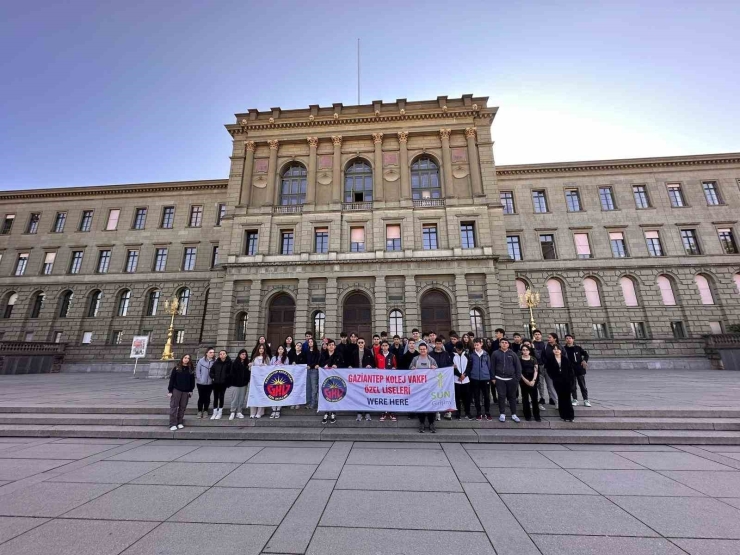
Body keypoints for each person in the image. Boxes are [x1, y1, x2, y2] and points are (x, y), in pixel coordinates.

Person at [410, 342, 438, 433]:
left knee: (431, 406)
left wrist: (435, 368)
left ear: (427, 350)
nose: (422, 350)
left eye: (424, 349)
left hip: (429, 387)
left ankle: (431, 423)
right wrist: (412, 368)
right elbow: (410, 368)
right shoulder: (415, 359)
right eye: (421, 349)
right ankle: (421, 423)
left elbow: (438, 371)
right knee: (421, 405)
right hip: (419, 387)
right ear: (419, 350)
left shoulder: (431, 360)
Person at [491, 338, 522, 423]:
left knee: (512, 397)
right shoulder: (495, 353)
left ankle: (514, 414)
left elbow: (518, 367)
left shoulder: (513, 354)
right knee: (501, 396)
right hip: (499, 378)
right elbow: (492, 366)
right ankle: (502, 413)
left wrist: (517, 379)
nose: (504, 344)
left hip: (512, 379)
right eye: (502, 342)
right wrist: (493, 377)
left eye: (506, 343)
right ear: (500, 344)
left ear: (508, 344)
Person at [546, 344, 575, 422]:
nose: (556, 350)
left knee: (567, 398)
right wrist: (554, 377)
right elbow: (549, 370)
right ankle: (563, 415)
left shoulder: (565, 359)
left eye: (558, 349)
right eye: (554, 349)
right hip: (557, 381)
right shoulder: (551, 359)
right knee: (561, 398)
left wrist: (570, 379)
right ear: (553, 351)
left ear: (561, 350)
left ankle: (570, 416)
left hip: (566, 381)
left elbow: (570, 371)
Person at [350, 337, 376, 422]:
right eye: (359, 342)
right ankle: (359, 412)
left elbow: (373, 362)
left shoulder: (368, 352)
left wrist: (370, 365)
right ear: (357, 344)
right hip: (357, 377)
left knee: (367, 394)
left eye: (362, 342)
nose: (361, 344)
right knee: (358, 395)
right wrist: (350, 366)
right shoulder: (353, 352)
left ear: (364, 343)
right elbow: (350, 363)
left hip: (366, 377)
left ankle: (367, 412)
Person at [319, 339, 344, 424]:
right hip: (325, 379)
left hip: (335, 379)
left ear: (335, 346)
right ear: (327, 346)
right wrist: (324, 365)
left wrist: (337, 365)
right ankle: (326, 412)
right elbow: (320, 363)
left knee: (334, 394)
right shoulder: (323, 355)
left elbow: (342, 364)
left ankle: (333, 412)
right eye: (329, 345)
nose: (331, 346)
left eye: (333, 345)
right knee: (326, 394)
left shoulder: (338, 355)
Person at [168, 354, 195, 430]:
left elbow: (192, 381)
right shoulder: (176, 368)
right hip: (177, 389)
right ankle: (172, 424)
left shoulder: (190, 369)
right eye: (185, 358)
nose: (186, 359)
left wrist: (191, 390)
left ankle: (179, 422)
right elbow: (172, 380)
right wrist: (170, 391)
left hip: (186, 391)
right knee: (174, 407)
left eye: (188, 358)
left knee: (182, 407)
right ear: (182, 358)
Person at [564, 334, 591, 407]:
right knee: (572, 385)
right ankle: (575, 399)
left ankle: (586, 400)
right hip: (570, 369)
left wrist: (585, 360)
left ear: (573, 340)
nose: (568, 339)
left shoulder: (578, 348)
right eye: (567, 338)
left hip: (579, 369)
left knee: (582, 385)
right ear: (565, 340)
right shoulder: (564, 349)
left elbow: (586, 355)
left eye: (570, 338)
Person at [532, 329, 557, 409]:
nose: (537, 335)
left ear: (541, 335)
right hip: (537, 366)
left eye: (538, 334)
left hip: (546, 366)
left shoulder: (546, 344)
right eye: (535, 334)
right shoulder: (532, 344)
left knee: (550, 383)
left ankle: (552, 398)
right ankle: (542, 398)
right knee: (540, 383)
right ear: (534, 336)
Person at [469, 338, 492, 421]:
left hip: (485, 378)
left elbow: (489, 366)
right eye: (475, 345)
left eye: (477, 345)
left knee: (486, 396)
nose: (476, 346)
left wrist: (490, 376)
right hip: (475, 378)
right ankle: (478, 412)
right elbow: (470, 366)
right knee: (476, 396)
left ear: (481, 344)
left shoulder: (486, 354)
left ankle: (487, 412)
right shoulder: (472, 355)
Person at [430, 337, 453, 420]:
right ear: (435, 344)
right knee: (436, 395)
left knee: (445, 394)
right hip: (434, 378)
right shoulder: (431, 354)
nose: (438, 345)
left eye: (440, 343)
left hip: (445, 378)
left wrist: (452, 366)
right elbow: (429, 364)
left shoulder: (446, 353)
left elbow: (449, 363)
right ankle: (437, 412)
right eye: (437, 343)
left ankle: (447, 411)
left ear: (442, 344)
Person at [376, 339, 397, 422]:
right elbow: (376, 366)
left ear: (388, 346)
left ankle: (391, 412)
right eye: (383, 346)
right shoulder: (378, 355)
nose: (384, 347)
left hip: (390, 380)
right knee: (382, 396)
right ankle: (383, 413)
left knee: (390, 396)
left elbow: (395, 366)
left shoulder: (392, 356)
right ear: (381, 347)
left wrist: (393, 368)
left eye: (386, 346)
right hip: (381, 380)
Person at [519, 345, 540, 422]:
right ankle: (527, 415)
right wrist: (525, 380)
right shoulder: (519, 359)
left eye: (526, 350)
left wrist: (533, 380)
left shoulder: (533, 358)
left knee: (534, 398)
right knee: (525, 399)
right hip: (523, 380)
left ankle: (537, 415)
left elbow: (536, 370)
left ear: (529, 351)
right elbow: (519, 371)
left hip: (532, 379)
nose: (525, 351)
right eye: (523, 350)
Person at [228, 349, 250, 420]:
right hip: (236, 384)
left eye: (245, 354)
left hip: (244, 384)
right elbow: (232, 373)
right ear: (239, 355)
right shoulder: (235, 363)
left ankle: (239, 411)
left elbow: (248, 373)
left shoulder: (247, 363)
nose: (244, 356)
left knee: (241, 398)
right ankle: (233, 411)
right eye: (242, 354)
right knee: (235, 398)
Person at [209, 350, 231, 420]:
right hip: (215, 383)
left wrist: (226, 378)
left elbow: (230, 373)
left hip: (223, 383)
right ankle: (214, 412)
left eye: (223, 354)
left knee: (221, 397)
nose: (222, 355)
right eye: (220, 354)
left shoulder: (229, 363)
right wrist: (213, 376)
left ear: (226, 355)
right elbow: (211, 371)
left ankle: (220, 412)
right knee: (215, 397)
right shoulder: (216, 363)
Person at [269, 345, 290, 419]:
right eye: (279, 349)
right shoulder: (273, 358)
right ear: (277, 350)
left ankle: (278, 409)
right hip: (274, 378)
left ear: (284, 350)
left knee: (280, 394)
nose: (280, 350)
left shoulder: (286, 358)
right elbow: (269, 367)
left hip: (282, 379)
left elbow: (287, 368)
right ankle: (273, 409)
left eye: (282, 349)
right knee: (273, 394)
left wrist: (282, 365)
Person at [248, 344, 268, 418]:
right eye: (260, 348)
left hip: (263, 380)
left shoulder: (267, 358)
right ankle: (252, 412)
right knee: (253, 395)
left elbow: (269, 368)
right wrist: (251, 365)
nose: (261, 349)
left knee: (261, 395)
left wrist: (265, 366)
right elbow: (251, 369)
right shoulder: (254, 357)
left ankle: (260, 412)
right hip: (255, 380)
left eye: (262, 348)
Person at [453, 343, 471, 420]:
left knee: (466, 398)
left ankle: (467, 412)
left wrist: (464, 375)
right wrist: (459, 375)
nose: (459, 351)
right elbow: (452, 367)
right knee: (457, 398)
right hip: (456, 380)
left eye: (460, 350)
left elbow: (469, 366)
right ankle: (458, 412)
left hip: (466, 380)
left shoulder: (467, 355)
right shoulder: (452, 356)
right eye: (457, 350)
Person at [195, 347, 215, 418]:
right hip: (201, 383)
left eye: (213, 352)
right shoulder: (201, 361)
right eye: (210, 352)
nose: (212, 354)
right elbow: (198, 371)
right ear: (206, 353)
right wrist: (200, 379)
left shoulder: (214, 361)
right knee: (201, 397)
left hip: (210, 383)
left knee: (207, 397)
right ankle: (199, 411)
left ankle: (206, 410)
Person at [305, 337, 321, 410]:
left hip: (314, 371)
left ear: (314, 343)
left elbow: (317, 361)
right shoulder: (307, 351)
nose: (310, 343)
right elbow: (305, 360)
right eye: (309, 342)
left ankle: (313, 403)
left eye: (311, 341)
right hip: (308, 370)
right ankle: (309, 402)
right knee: (309, 387)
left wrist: (313, 365)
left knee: (314, 387)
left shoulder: (317, 351)